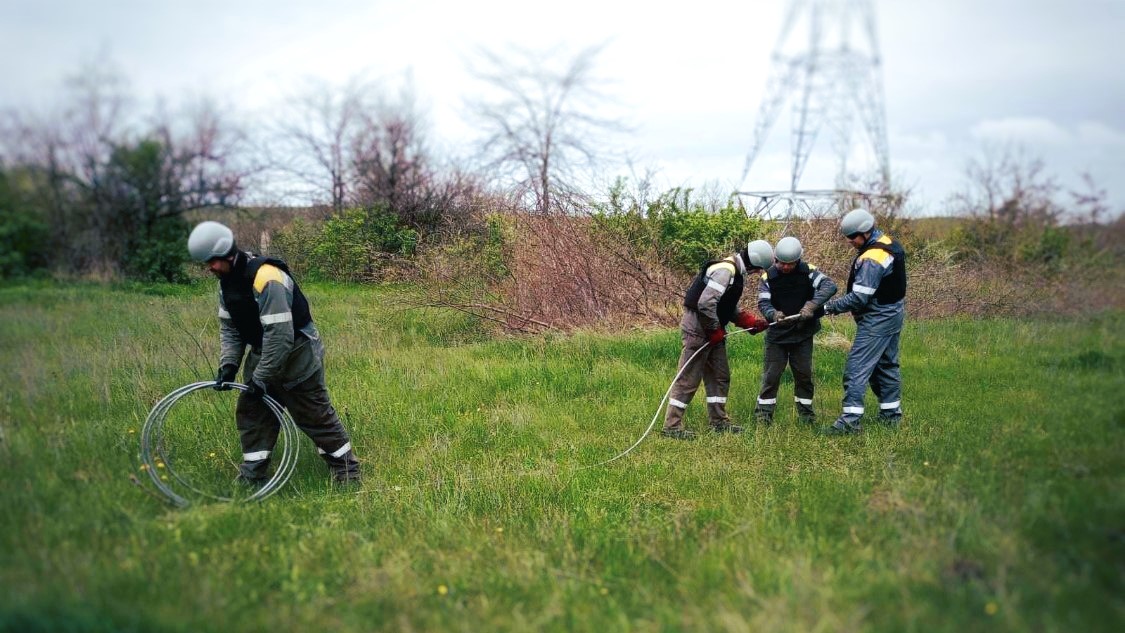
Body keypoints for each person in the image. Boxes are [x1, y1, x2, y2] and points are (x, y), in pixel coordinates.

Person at [187, 221, 362, 483]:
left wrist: (261, 378)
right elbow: (231, 329)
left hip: (298, 354)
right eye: (206, 263)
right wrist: (229, 366)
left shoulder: (267, 278)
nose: (209, 268)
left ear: (226, 253)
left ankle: (347, 472)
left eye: (212, 261)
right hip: (265, 352)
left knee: (313, 414)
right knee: (253, 414)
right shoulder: (227, 282)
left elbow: (280, 337)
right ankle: (253, 476)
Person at [661, 240, 773, 440]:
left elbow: (724, 305)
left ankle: (719, 422)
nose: (757, 273)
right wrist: (713, 329)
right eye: (758, 270)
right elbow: (705, 304)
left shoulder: (734, 272)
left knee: (719, 376)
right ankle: (672, 427)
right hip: (698, 327)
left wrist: (747, 321)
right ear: (754, 264)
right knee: (688, 378)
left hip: (712, 326)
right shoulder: (725, 271)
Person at [820, 208, 906, 435]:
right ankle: (891, 417)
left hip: (878, 318)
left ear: (865, 233)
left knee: (856, 368)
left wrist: (828, 307)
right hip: (894, 312)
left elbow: (859, 297)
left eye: (852, 237)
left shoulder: (872, 258)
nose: (849, 242)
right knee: (886, 366)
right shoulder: (889, 243)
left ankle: (849, 422)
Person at [754, 236, 837, 426]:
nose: (784, 267)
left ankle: (806, 417)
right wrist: (773, 314)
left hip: (803, 334)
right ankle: (763, 417)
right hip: (777, 336)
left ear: (798, 260)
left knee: (804, 375)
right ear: (775, 259)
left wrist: (812, 305)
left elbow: (829, 286)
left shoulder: (809, 272)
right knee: (771, 376)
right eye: (781, 263)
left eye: (789, 264)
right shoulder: (768, 276)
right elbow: (763, 302)